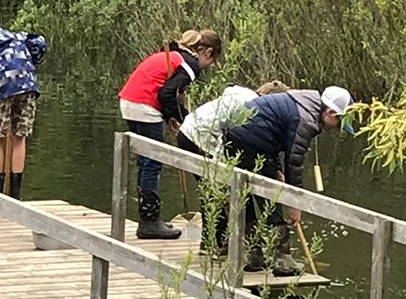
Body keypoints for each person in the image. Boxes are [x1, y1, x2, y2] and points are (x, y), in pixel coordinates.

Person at [223, 86, 353, 275]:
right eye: (339, 122)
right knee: (272, 194)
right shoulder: (306, 119)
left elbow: (274, 130)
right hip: (250, 136)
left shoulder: (305, 102)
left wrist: (276, 169)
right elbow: (294, 161)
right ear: (330, 112)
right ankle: (282, 260)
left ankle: (254, 256)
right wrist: (295, 203)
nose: (336, 128)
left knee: (246, 194)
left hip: (235, 132)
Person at [118, 30, 223, 239]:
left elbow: (165, 92)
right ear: (208, 52)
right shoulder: (190, 64)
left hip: (129, 101)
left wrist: (170, 116)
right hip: (145, 105)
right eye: (211, 62)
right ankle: (149, 222)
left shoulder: (175, 56)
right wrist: (186, 120)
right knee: (152, 162)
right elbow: (166, 94)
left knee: (145, 161)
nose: (207, 67)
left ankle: (148, 219)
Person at [0, 27, 47, 198]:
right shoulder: (20, 38)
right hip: (28, 85)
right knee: (20, 135)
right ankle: (15, 192)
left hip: (4, 85)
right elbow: (39, 43)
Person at [177, 80, 291, 157]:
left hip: (187, 128)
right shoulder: (251, 106)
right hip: (202, 137)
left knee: (209, 187)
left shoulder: (242, 94)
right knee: (220, 186)